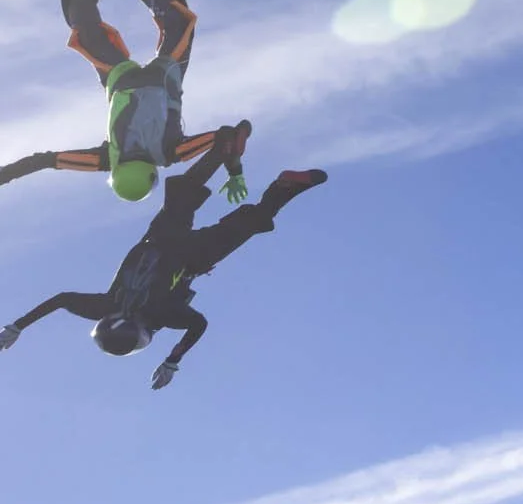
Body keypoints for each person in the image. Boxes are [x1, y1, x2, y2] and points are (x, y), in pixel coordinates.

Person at [0, 127, 325, 388]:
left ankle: (283, 186)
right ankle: (222, 150)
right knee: (187, 192)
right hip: (160, 240)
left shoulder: (162, 314)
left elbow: (198, 325)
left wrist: (173, 360)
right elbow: (59, 300)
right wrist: (16, 326)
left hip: (193, 258)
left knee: (246, 224)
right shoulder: (105, 307)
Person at [1, 0, 246, 204]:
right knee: (91, 38)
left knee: (180, 25)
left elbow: (230, 135)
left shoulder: (170, 154)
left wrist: (235, 171)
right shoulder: (107, 158)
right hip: (120, 80)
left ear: (151, 175)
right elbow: (46, 160)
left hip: (162, 78)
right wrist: (4, 176)